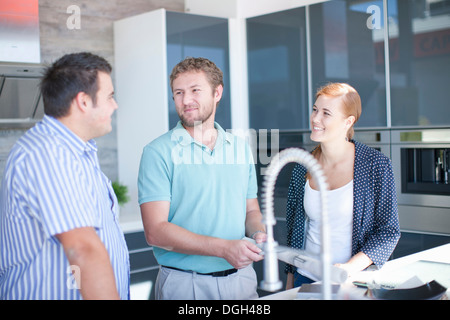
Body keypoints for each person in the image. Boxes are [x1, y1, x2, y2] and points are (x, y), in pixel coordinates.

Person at [0, 52, 130, 300]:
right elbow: (82, 249)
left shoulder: (76, 151)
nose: (115, 105)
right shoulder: (48, 153)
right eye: (110, 96)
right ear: (83, 101)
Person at [138, 57, 266, 300]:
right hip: (186, 285)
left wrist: (258, 232)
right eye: (179, 93)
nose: (186, 100)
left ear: (217, 92)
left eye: (195, 90)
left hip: (242, 281)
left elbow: (250, 210)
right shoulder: (157, 152)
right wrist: (223, 248)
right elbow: (155, 231)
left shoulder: (239, 148)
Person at [285, 83, 400, 288]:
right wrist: (290, 283)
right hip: (305, 277)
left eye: (326, 113)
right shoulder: (303, 166)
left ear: (348, 121)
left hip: (353, 280)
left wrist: (349, 268)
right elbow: (294, 229)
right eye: (315, 110)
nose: (315, 119)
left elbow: (388, 231)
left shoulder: (376, 165)